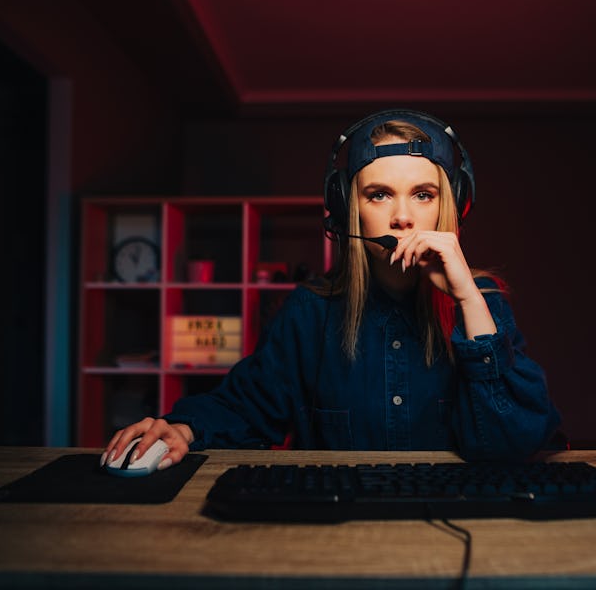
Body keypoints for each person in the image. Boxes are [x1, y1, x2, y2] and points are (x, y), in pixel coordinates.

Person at [102, 109, 561, 470]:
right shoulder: (310, 313)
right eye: (379, 194)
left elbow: (513, 443)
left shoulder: (482, 304)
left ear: (453, 204)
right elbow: (247, 405)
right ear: (348, 208)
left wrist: (467, 300)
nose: (403, 216)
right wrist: (183, 428)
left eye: (424, 194)